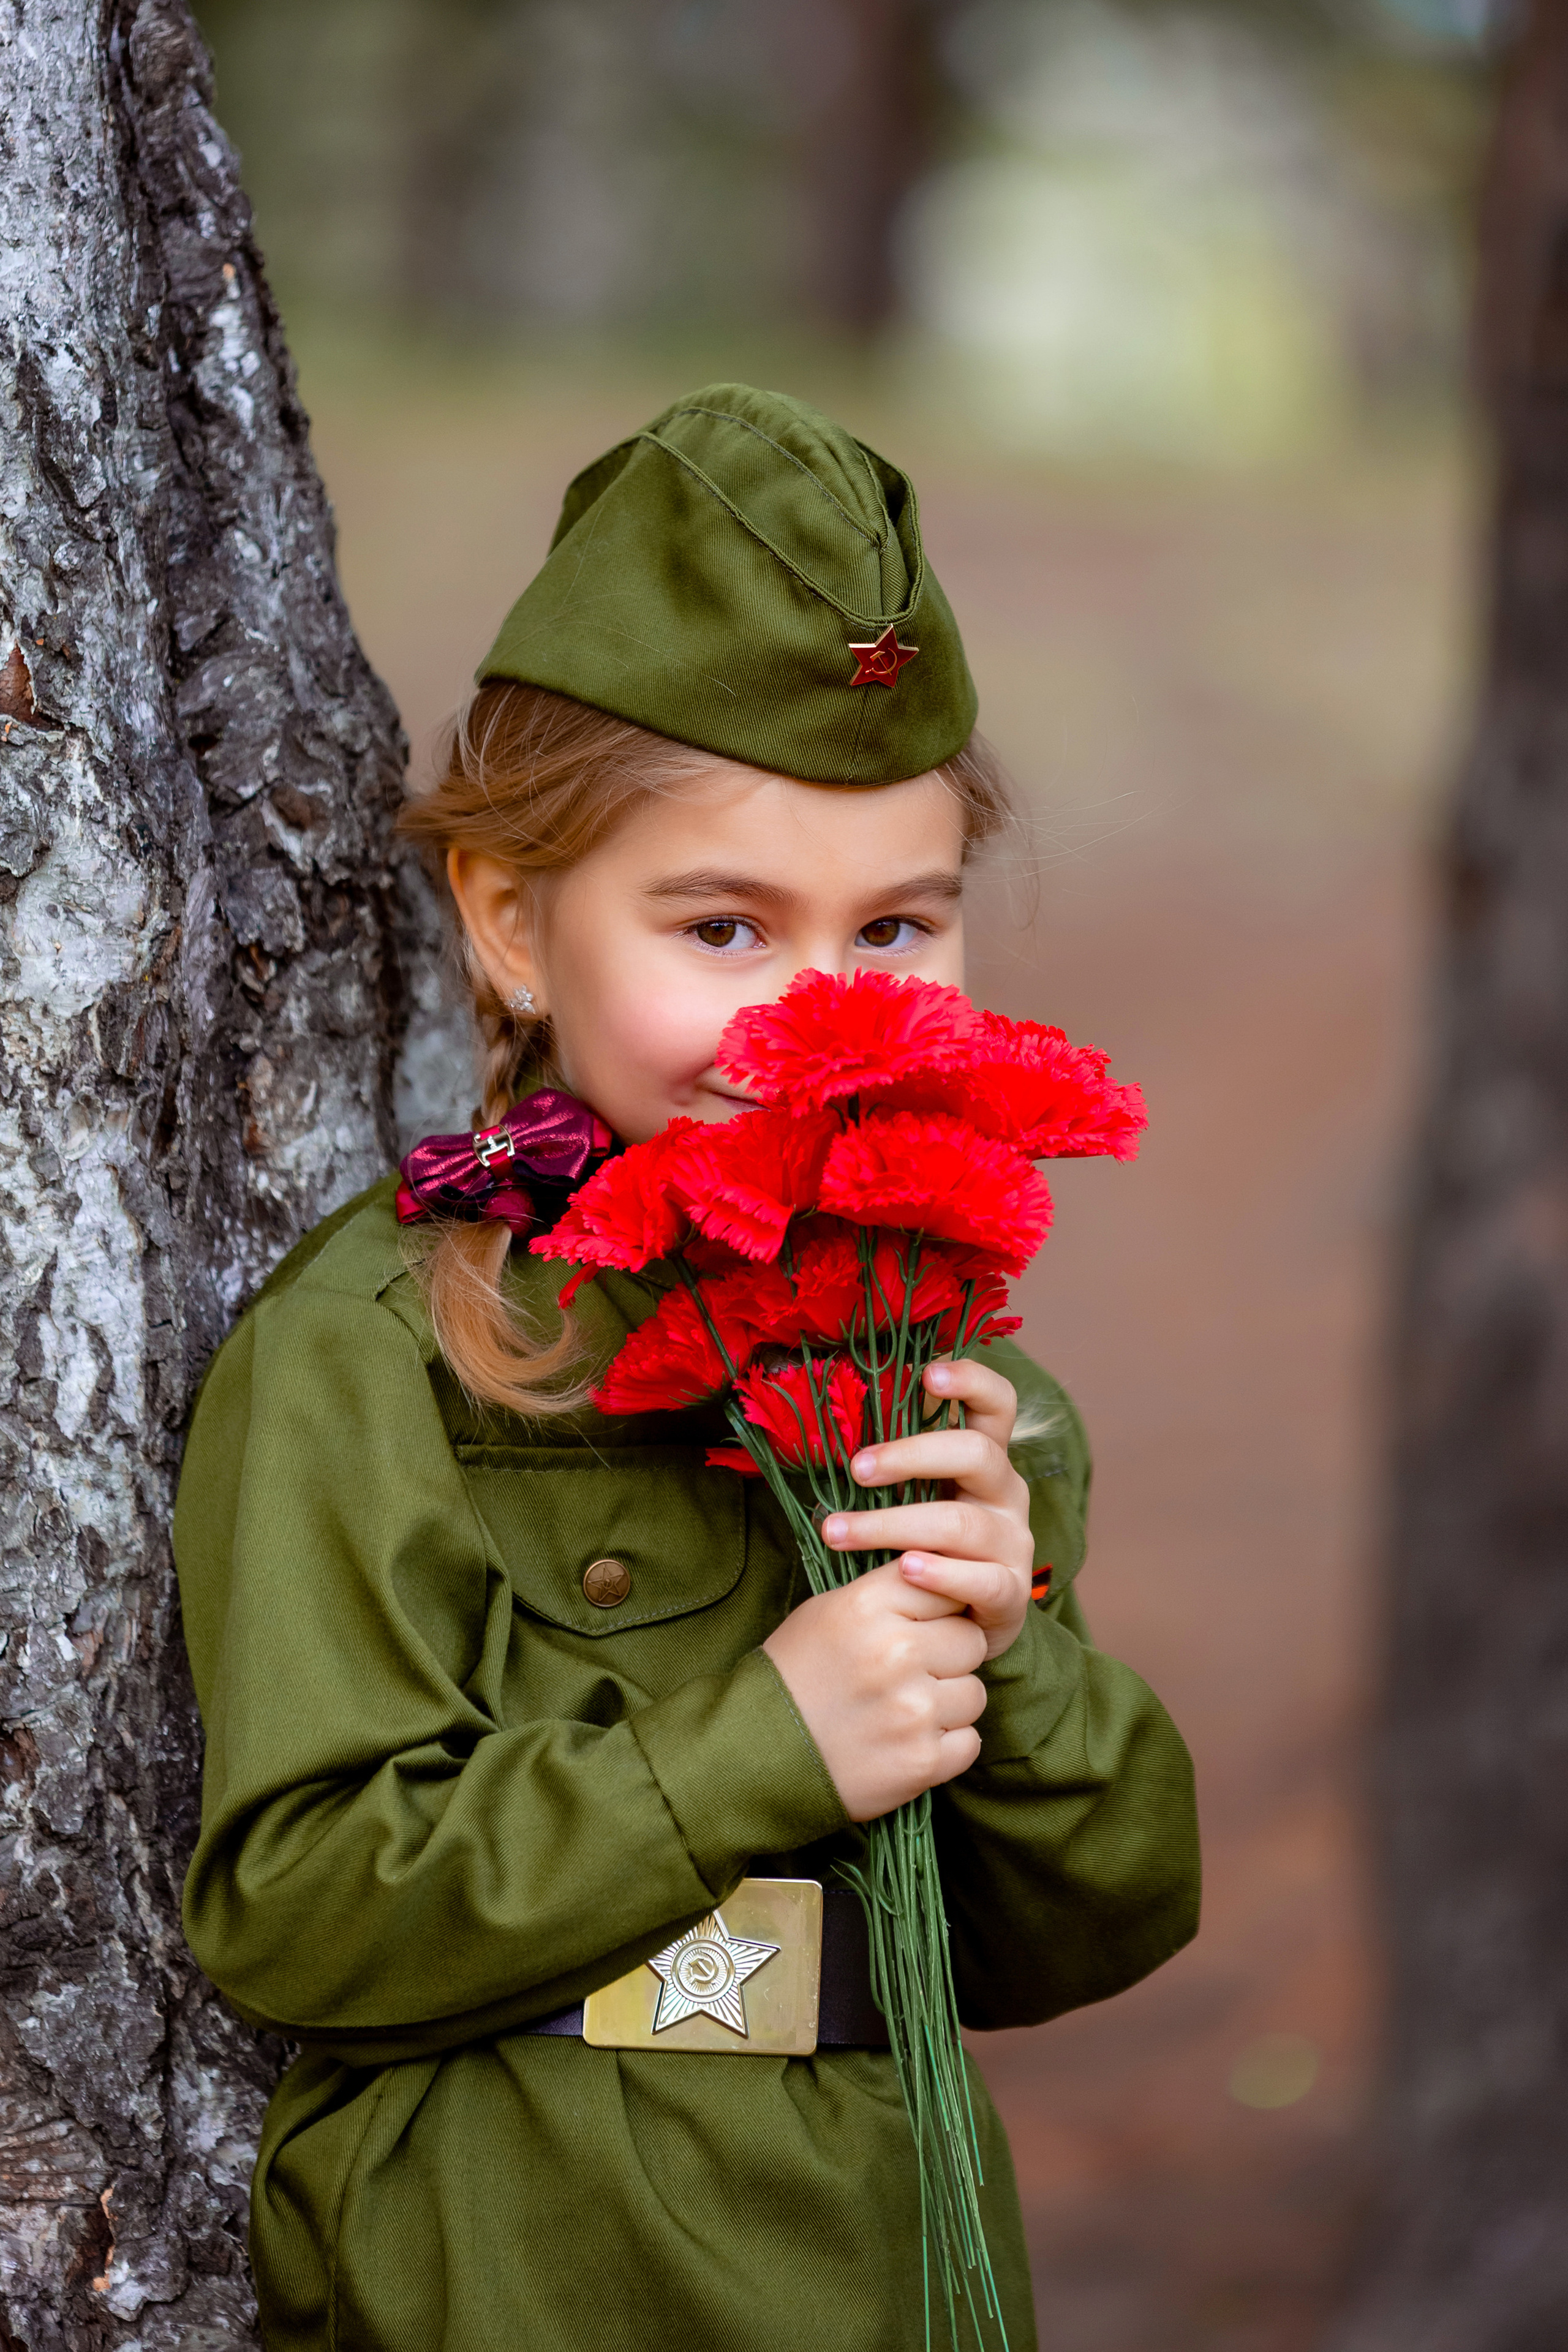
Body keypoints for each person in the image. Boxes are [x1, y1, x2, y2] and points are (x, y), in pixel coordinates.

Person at [173, 383, 1200, 2352]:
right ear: (513, 923)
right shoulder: (382, 1352)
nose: (818, 1012)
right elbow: (295, 1911)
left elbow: (1090, 1930)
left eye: (895, 926)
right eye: (724, 925)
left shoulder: (955, 1374)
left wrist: (1014, 1648)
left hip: (887, 2256)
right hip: (515, 2260)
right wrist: (761, 1743)